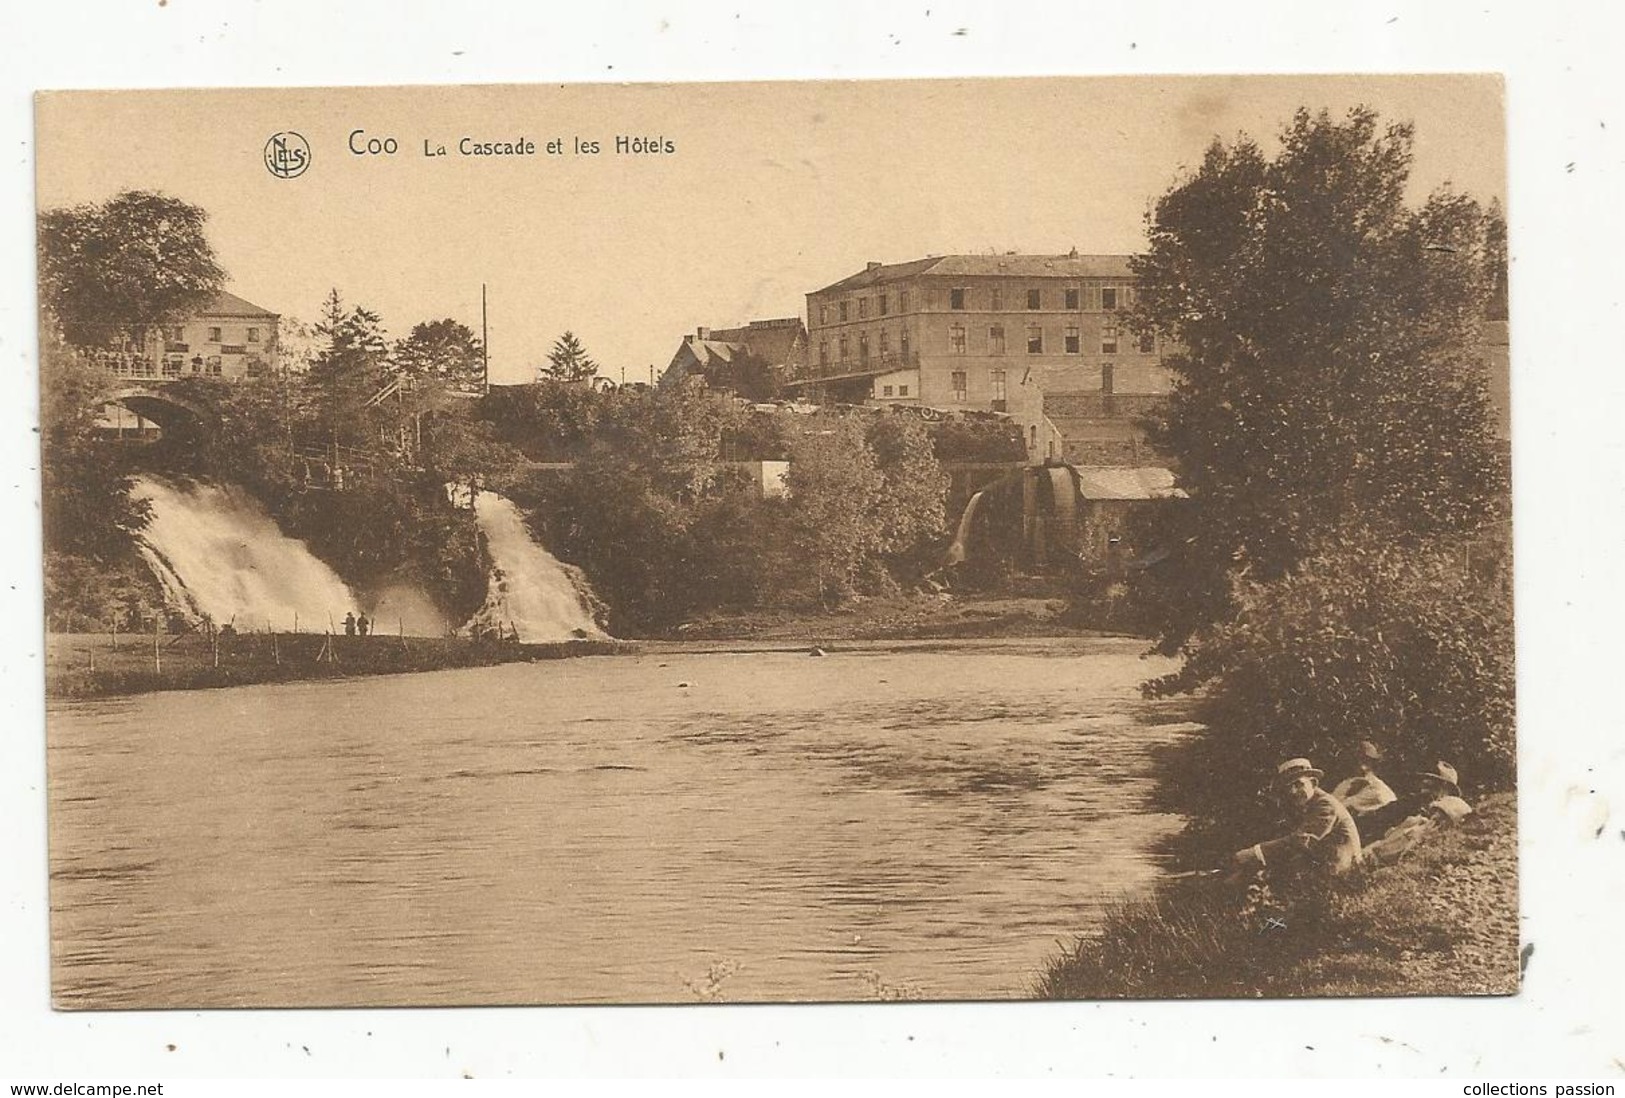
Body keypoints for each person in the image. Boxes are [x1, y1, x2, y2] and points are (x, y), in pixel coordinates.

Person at [1230, 757, 1363, 879]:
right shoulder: (1307, 803)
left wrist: (1256, 852)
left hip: (1342, 871)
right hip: (1326, 865)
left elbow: (1302, 840)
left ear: (1313, 783)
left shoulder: (1326, 805)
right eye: (1288, 787)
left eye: (1298, 784)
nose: (1293, 791)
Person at [1359, 761, 1463, 838]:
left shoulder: (1449, 817)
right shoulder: (1409, 803)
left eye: (1433, 782)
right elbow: (1379, 817)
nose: (1425, 784)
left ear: (1446, 789)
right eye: (1425, 780)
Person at [1362, 794, 1474, 866]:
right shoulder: (1415, 821)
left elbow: (1404, 860)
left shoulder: (1432, 842)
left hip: (1377, 864)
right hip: (1369, 853)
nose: (1435, 817)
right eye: (1436, 812)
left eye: (1442, 817)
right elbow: (1386, 838)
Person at [1331, 740, 1397, 817]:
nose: (1358, 763)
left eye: (1363, 759)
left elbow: (1338, 809)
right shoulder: (1347, 783)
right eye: (1354, 758)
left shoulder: (1377, 789)